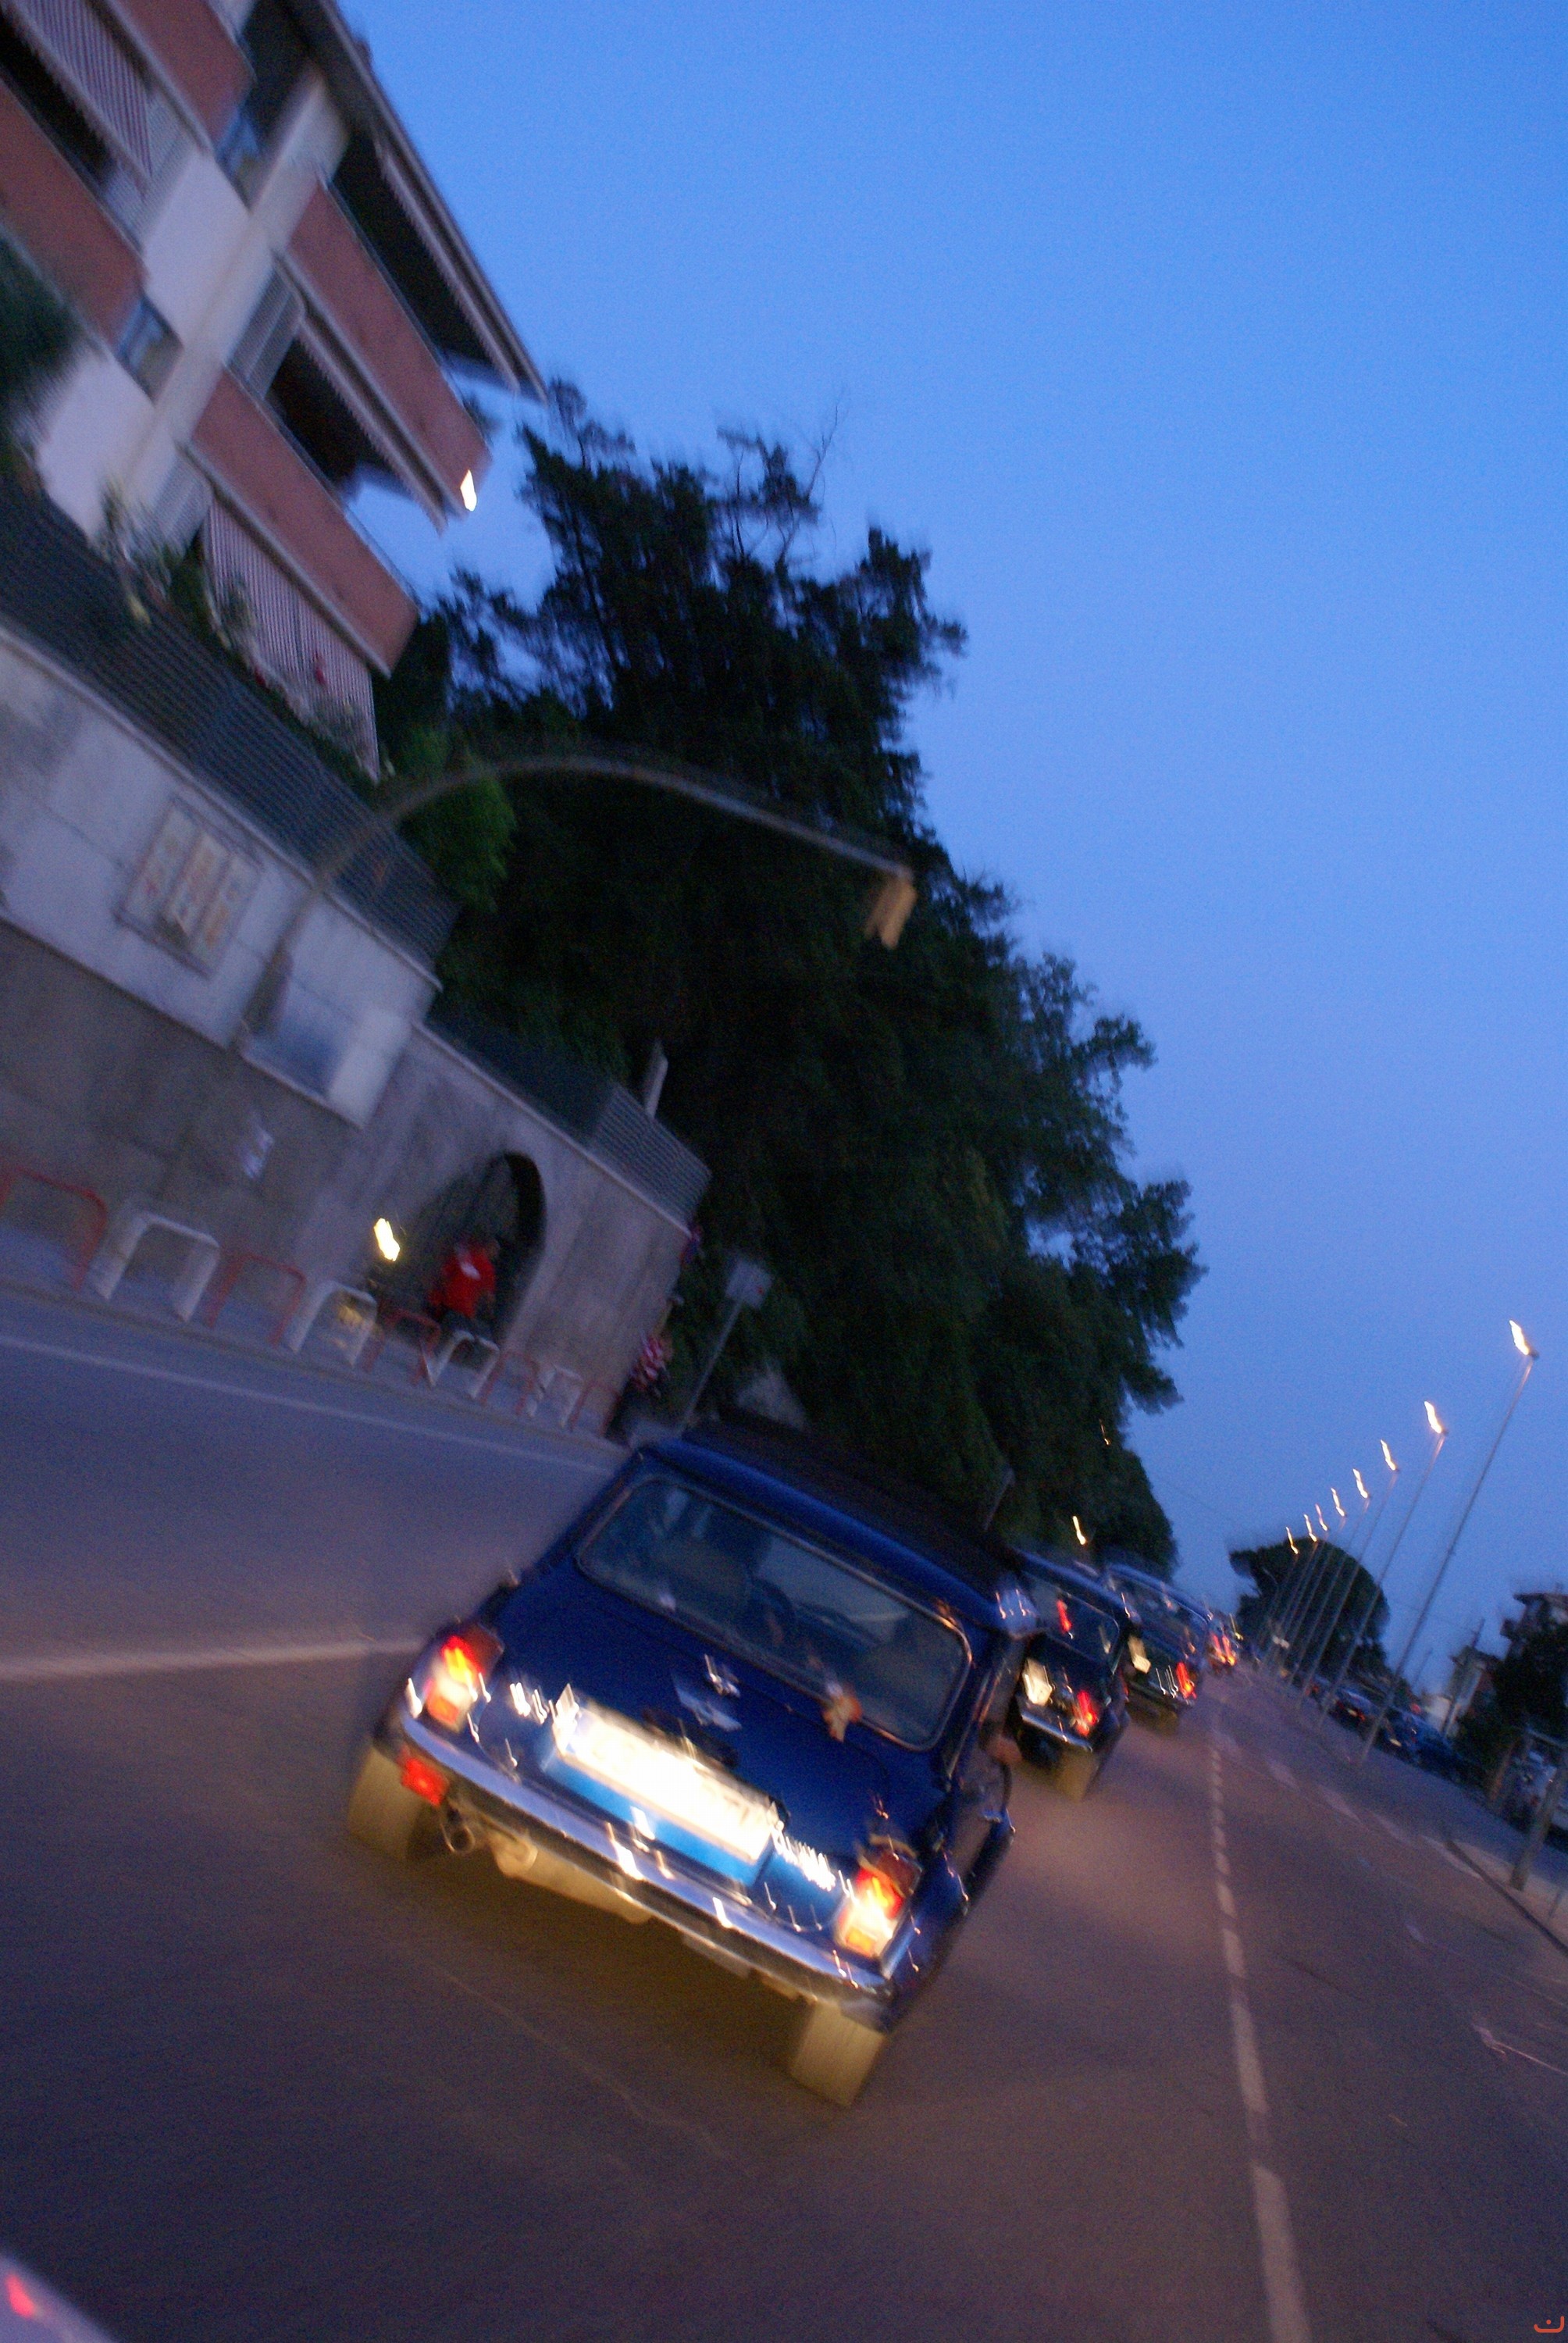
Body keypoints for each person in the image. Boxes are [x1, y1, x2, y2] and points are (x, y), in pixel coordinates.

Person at [426, 1232, 499, 1332]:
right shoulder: (488, 1270)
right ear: (490, 1249)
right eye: (495, 1251)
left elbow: (443, 1274)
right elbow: (488, 1295)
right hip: (462, 1309)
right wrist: (491, 1310)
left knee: (433, 1326)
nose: (495, 1255)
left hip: (443, 1300)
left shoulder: (465, 1256)